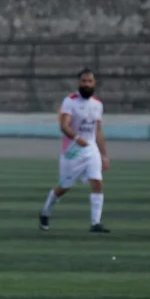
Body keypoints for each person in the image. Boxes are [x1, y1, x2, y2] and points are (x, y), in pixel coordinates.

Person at [40, 69, 109, 233]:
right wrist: (78, 138)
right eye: (84, 81)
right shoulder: (70, 101)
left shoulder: (97, 104)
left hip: (91, 148)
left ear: (94, 83)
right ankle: (45, 212)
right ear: (79, 82)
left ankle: (95, 223)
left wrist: (104, 154)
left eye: (89, 81)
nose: (86, 84)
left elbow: (98, 130)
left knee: (97, 182)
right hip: (73, 150)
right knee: (64, 187)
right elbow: (64, 126)